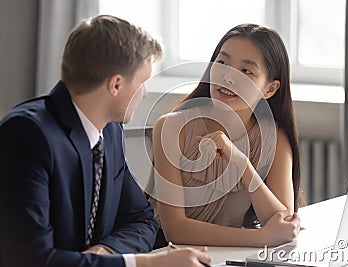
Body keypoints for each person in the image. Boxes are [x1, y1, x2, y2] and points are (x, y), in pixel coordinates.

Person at [0, 15, 211, 267]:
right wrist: (149, 264)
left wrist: (105, 252)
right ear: (116, 85)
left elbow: (142, 220)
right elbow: (31, 260)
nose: (144, 93)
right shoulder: (27, 135)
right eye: (143, 82)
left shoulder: (110, 131)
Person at [150, 24, 301, 248]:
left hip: (226, 255)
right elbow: (175, 230)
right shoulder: (172, 127)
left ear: (269, 89)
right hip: (169, 255)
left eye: (246, 71)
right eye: (222, 63)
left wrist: (242, 164)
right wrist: (260, 238)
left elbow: (284, 224)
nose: (228, 77)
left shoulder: (274, 137)